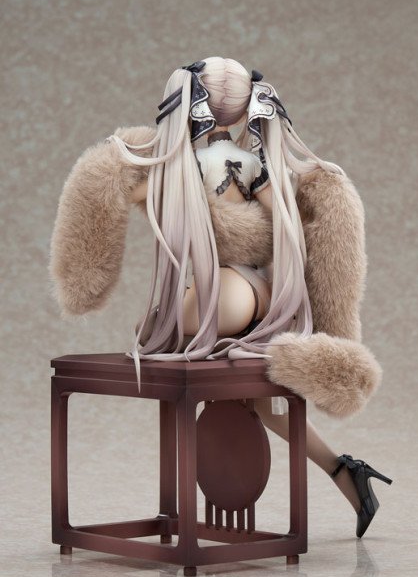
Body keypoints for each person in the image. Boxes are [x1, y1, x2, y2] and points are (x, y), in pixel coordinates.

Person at [52, 56, 392, 537]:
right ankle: (345, 470)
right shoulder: (226, 165)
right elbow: (284, 218)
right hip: (236, 290)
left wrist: (123, 161)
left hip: (236, 288)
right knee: (259, 404)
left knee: (158, 332)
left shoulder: (206, 167)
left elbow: (283, 223)